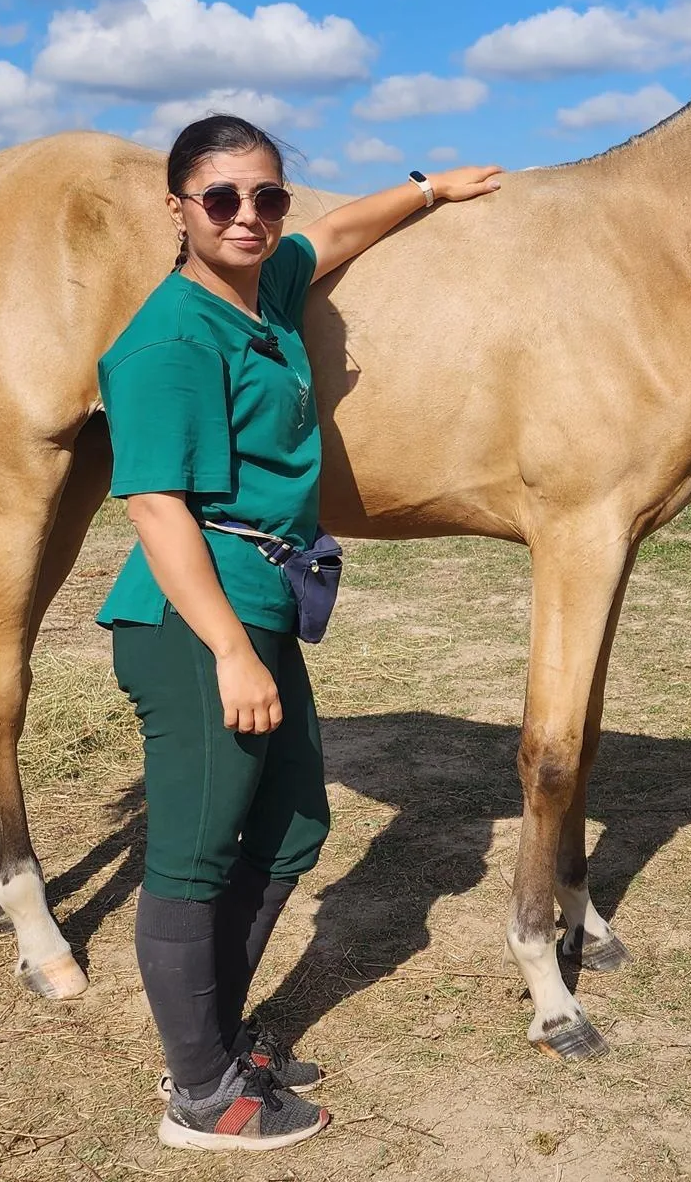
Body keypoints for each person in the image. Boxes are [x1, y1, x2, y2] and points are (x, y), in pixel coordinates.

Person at [96, 115, 501, 1152]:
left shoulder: (264, 289)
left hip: (265, 600)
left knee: (291, 829)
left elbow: (341, 232)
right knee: (194, 852)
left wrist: (430, 187)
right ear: (177, 208)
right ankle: (201, 1093)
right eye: (221, 197)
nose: (249, 215)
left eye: (268, 196)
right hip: (197, 623)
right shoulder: (169, 339)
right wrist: (231, 651)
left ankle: (214, 1040)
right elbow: (155, 508)